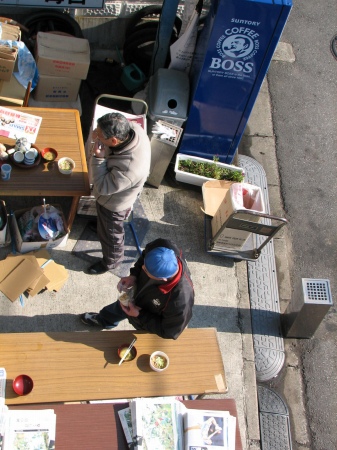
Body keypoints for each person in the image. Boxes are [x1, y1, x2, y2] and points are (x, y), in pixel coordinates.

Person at [81, 238, 194, 340]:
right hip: (136, 296)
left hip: (144, 318)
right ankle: (103, 320)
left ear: (162, 279)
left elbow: (169, 332)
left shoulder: (180, 302)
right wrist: (133, 275)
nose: (142, 268)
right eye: (145, 265)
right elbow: (144, 256)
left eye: (146, 271)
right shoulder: (163, 245)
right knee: (116, 309)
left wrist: (139, 315)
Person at [87, 112, 151, 275]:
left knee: (112, 236)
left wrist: (98, 158)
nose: (96, 135)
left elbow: (101, 186)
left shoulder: (129, 168)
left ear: (113, 141)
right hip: (118, 193)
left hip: (114, 205)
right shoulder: (133, 129)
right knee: (104, 225)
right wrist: (99, 134)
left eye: (99, 135)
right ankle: (101, 227)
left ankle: (111, 261)